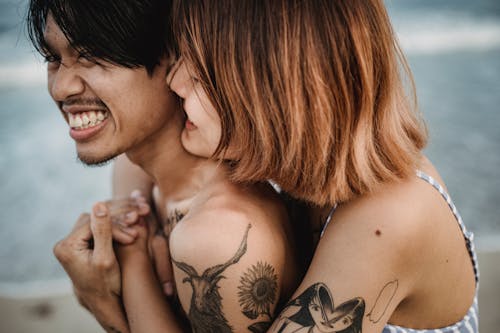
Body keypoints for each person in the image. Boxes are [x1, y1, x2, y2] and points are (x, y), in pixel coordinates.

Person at [165, 0, 479, 332]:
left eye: (199, 76)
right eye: (178, 56)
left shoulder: (387, 220)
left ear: (270, 93)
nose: (174, 81)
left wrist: (131, 279)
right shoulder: (306, 175)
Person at [26, 0, 302, 332]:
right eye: (53, 59)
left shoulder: (218, 235)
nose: (61, 88)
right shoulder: (136, 171)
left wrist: (116, 281)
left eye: (92, 55)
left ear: (174, 58)